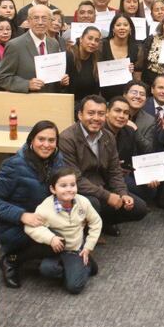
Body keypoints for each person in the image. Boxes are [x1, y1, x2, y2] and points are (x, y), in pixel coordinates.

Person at [57, 95, 149, 234]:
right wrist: (107, 196)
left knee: (139, 208)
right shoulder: (67, 138)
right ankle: (86, 229)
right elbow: (74, 179)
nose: (96, 118)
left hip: (102, 186)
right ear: (80, 115)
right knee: (93, 203)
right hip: (78, 190)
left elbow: (114, 171)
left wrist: (122, 193)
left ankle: (102, 223)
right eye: (91, 113)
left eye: (100, 114)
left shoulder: (108, 136)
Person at [0, 120, 65, 288]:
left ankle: (36, 257)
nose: (46, 145)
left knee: (72, 231)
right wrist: (22, 215)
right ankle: (11, 259)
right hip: (16, 226)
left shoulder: (58, 160)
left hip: (45, 219)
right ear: (31, 140)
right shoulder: (13, 165)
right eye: (41, 139)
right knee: (61, 241)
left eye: (51, 140)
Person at [24, 166, 101, 295]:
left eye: (72, 185)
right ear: (53, 189)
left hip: (75, 250)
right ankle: (76, 269)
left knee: (74, 287)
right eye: (63, 186)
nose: (69, 189)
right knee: (46, 269)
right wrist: (51, 238)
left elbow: (96, 222)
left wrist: (88, 246)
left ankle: (84, 266)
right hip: (55, 250)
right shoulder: (45, 207)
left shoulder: (83, 202)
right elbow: (30, 227)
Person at [0, 4, 70, 93]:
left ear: (50, 22)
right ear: (29, 21)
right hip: (25, 102)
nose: (40, 22)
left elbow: (52, 78)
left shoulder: (54, 44)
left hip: (50, 102)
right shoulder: (15, 45)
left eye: (44, 18)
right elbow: (2, 77)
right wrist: (27, 84)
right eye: (36, 18)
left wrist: (61, 81)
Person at [103, 96, 159, 203]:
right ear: (107, 112)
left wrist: (146, 175)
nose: (121, 116)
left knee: (151, 190)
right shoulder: (99, 131)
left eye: (125, 113)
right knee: (139, 205)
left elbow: (134, 159)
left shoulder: (129, 131)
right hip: (103, 177)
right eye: (117, 111)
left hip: (122, 175)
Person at [98, 14, 139, 100]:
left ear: (130, 28)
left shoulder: (137, 48)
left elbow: (138, 80)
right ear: (113, 28)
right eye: (118, 25)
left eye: (125, 25)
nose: (122, 28)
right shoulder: (102, 45)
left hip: (127, 97)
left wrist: (132, 72)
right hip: (103, 96)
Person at [66, 26, 103, 102]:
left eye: (96, 40)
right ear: (81, 39)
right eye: (90, 38)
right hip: (69, 104)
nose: (93, 42)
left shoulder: (98, 58)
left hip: (89, 105)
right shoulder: (69, 56)